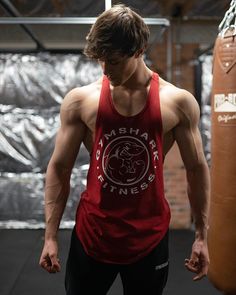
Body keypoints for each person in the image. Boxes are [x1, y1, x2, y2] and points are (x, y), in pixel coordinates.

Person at [39, 4, 210, 295]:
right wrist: (50, 236)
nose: (106, 69)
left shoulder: (177, 102)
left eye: (115, 61)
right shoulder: (81, 101)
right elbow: (59, 167)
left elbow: (196, 169)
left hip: (149, 237)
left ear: (139, 49)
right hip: (93, 235)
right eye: (100, 61)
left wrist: (201, 237)